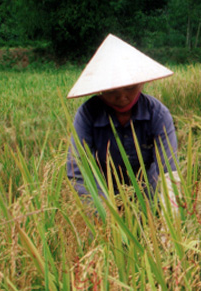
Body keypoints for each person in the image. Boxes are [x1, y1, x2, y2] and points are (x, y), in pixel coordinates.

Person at [66, 34, 178, 202]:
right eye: (112, 91)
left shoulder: (157, 114)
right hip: (103, 194)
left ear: (141, 83)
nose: (122, 97)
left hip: (148, 194)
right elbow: (78, 171)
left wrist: (171, 217)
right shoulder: (88, 114)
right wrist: (104, 215)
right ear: (100, 90)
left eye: (129, 88)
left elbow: (169, 171)